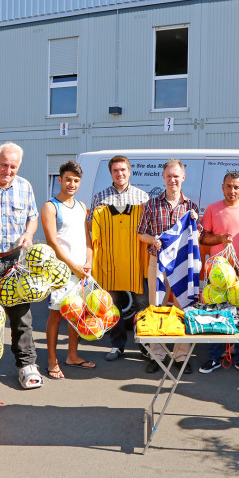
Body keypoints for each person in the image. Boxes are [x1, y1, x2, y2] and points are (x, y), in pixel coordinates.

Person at [0, 142, 42, 390]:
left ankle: (27, 366)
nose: (8, 170)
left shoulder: (25, 187)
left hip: (14, 261)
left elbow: (32, 218)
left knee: (21, 317)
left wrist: (28, 233)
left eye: (13, 166)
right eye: (4, 164)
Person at [199, 171, 239, 376]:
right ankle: (214, 358)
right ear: (222, 187)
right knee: (215, 314)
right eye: (228, 186)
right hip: (217, 271)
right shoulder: (212, 208)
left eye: (236, 187)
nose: (232, 190)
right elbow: (204, 239)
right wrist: (219, 239)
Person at [137, 159, 198, 374]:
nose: (172, 180)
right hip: (158, 263)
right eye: (168, 176)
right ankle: (157, 355)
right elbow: (140, 233)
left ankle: (181, 357)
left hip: (182, 264)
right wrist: (152, 239)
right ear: (163, 177)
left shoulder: (191, 206)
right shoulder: (152, 204)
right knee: (158, 308)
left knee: (183, 307)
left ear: (183, 177)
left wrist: (195, 223)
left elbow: (196, 235)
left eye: (176, 176)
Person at [87, 155, 149, 362]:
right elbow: (89, 226)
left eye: (123, 170)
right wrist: (96, 216)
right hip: (110, 262)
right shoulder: (100, 197)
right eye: (115, 170)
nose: (120, 174)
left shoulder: (142, 198)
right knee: (113, 305)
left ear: (129, 171)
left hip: (136, 262)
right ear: (111, 173)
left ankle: (145, 346)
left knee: (142, 304)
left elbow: (148, 229)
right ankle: (117, 345)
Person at [42, 161, 95, 379]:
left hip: (82, 272)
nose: (71, 183)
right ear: (60, 180)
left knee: (77, 315)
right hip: (61, 272)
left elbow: (87, 239)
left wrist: (88, 263)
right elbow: (53, 243)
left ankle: (72, 356)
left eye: (76, 180)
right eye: (68, 179)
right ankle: (52, 361)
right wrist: (73, 266)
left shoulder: (82, 206)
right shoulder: (50, 206)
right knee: (56, 316)